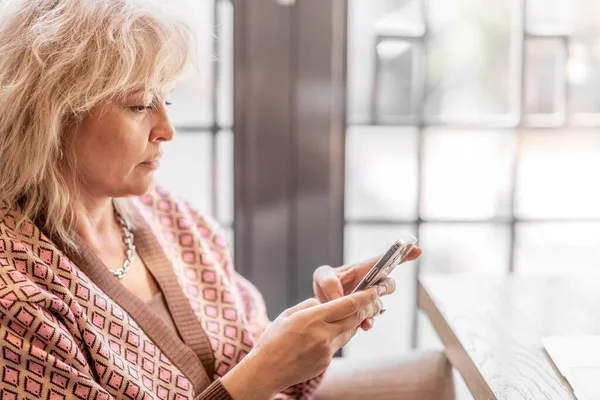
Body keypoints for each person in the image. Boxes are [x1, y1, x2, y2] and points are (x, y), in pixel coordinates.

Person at [0, 1, 435, 399]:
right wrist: (262, 374)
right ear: (51, 117)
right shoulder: (16, 298)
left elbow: (258, 360)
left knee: (440, 374)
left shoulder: (174, 218)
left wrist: (313, 326)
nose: (167, 129)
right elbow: (256, 375)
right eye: (140, 105)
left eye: (166, 99)